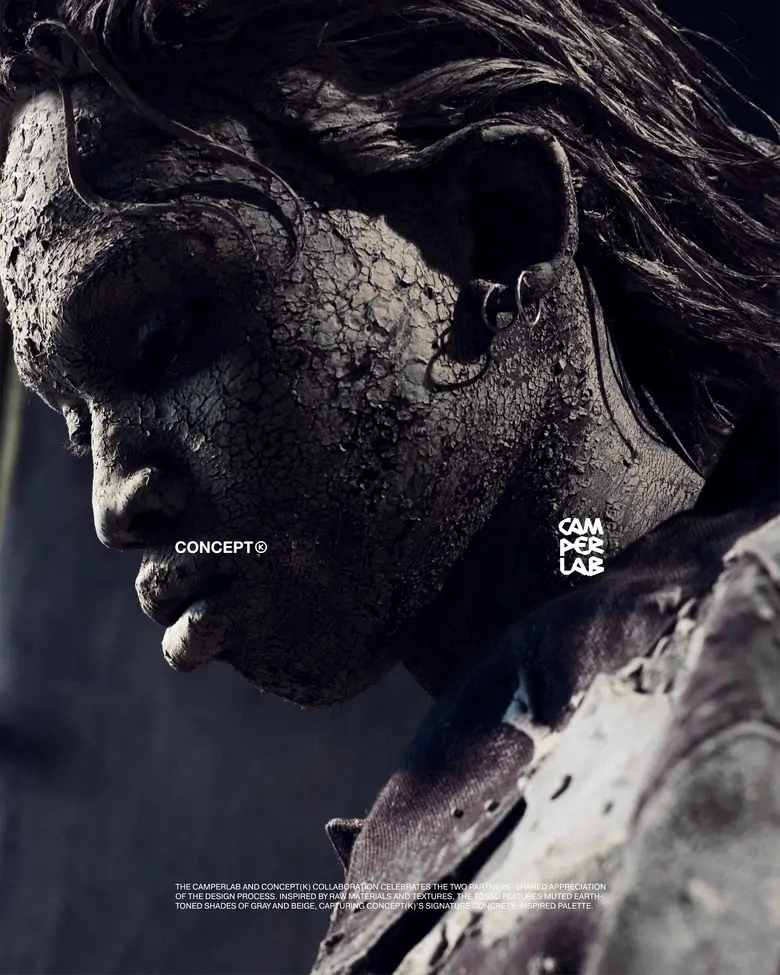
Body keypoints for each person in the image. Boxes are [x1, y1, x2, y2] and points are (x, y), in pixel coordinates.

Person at [0, 1, 778, 971]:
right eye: (78, 429)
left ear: (498, 227)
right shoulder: (471, 817)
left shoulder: (747, 665)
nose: (113, 505)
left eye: (164, 340)